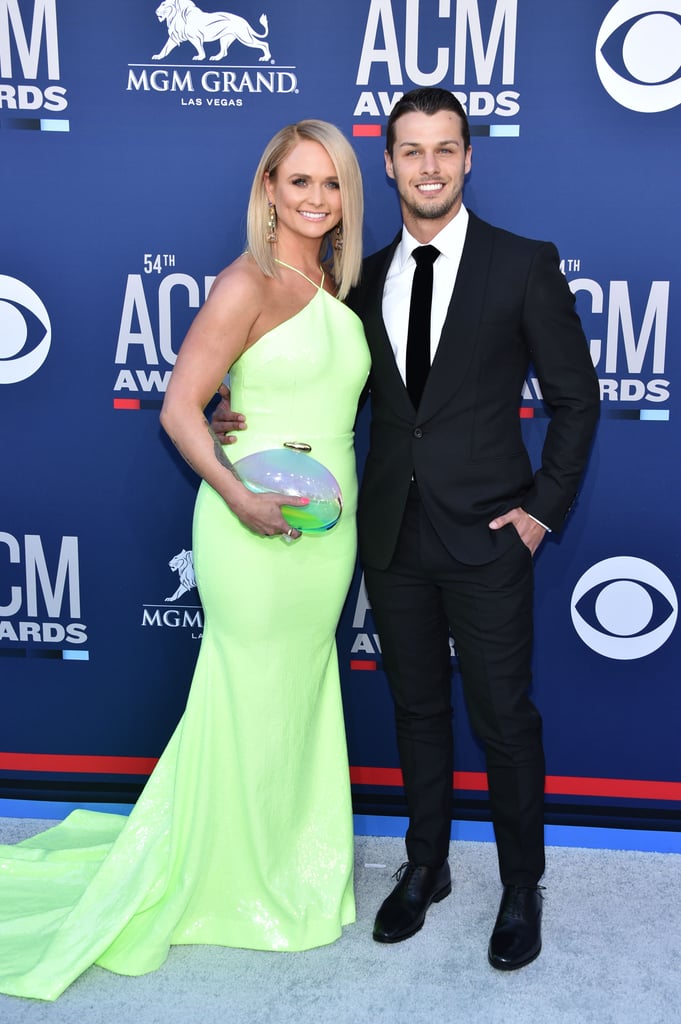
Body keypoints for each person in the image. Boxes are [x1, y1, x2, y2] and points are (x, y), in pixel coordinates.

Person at [216, 87, 600, 972]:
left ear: (467, 159)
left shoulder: (521, 263)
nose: (427, 166)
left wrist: (540, 515)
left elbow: (576, 401)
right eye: (410, 151)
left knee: (504, 718)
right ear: (385, 164)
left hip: (492, 534)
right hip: (389, 535)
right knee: (417, 710)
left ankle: (518, 886)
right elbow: (296, 363)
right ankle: (425, 865)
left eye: (444, 149)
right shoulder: (358, 279)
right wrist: (237, 402)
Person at [0, 120, 369, 1001]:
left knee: (302, 686)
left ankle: (286, 863)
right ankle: (223, 874)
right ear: (269, 187)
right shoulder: (245, 281)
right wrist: (239, 496)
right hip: (247, 527)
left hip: (327, 535)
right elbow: (177, 407)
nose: (316, 200)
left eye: (333, 185)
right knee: (242, 686)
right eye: (301, 182)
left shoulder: (332, 283)